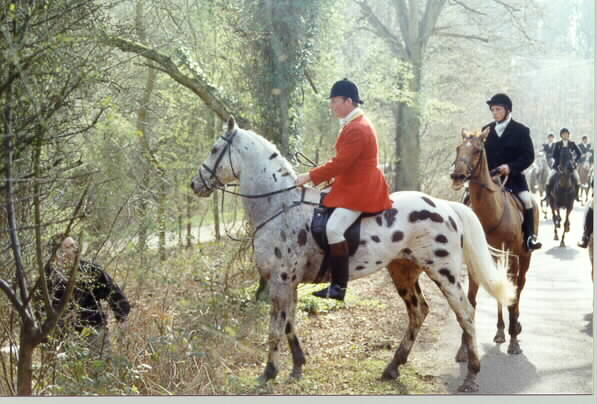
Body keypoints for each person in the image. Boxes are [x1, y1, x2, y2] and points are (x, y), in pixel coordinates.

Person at [295, 79, 393, 301]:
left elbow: (341, 163)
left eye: (335, 101)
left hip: (361, 189)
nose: (333, 106)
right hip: (351, 183)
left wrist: (308, 176)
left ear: (348, 101)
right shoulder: (353, 124)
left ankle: (339, 287)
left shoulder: (358, 128)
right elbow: (345, 163)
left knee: (333, 229)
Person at [46, 234, 130, 358]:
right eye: (69, 247)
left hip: (94, 331)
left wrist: (121, 316)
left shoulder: (90, 270)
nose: (75, 249)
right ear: (57, 253)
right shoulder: (48, 276)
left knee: (100, 371)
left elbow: (114, 293)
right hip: (63, 337)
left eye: (75, 245)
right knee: (67, 374)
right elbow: (40, 307)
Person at [482, 93, 541, 251]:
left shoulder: (521, 130)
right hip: (489, 179)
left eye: (498, 109)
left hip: (513, 179)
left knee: (527, 200)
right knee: (468, 199)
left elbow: (528, 156)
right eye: (492, 110)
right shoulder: (486, 130)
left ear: (507, 110)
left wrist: (510, 167)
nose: (495, 113)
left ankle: (529, 238)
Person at [545, 128, 581, 200]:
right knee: (548, 178)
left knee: (577, 179)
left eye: (567, 134)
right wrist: (558, 163)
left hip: (570, 166)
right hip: (558, 166)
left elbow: (579, 154)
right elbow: (553, 155)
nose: (565, 135)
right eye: (564, 134)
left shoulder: (572, 143)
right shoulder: (557, 144)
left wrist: (574, 161)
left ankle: (576, 195)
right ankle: (547, 196)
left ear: (568, 135)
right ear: (561, 135)